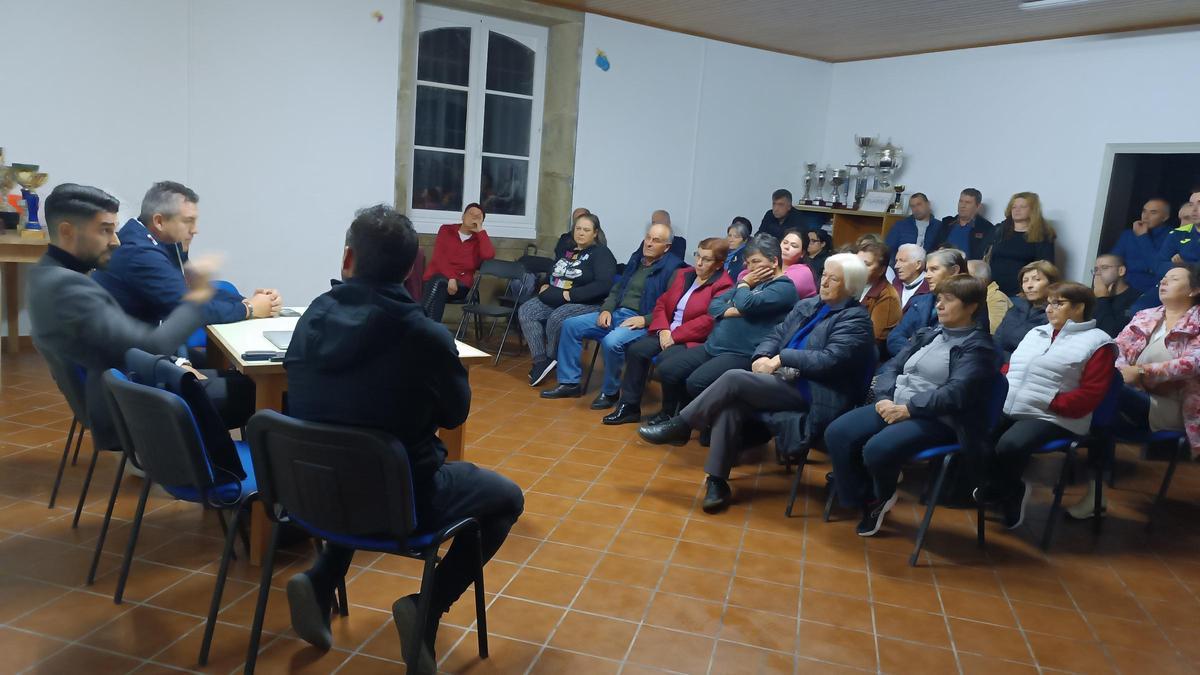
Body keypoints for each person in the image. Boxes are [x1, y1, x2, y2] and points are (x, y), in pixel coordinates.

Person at [282, 204, 523, 668]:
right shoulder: (426, 336)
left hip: (309, 493)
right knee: (506, 498)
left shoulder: (312, 315)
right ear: (413, 270)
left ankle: (319, 577)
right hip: (403, 504)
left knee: (355, 453)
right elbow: (455, 414)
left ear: (347, 259)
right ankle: (426, 608)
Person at [637, 253, 875, 512]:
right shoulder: (810, 305)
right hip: (783, 381)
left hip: (816, 393)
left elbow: (829, 360)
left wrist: (780, 358)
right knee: (732, 403)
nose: (825, 282)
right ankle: (717, 481)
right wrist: (762, 356)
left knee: (733, 379)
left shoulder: (856, 319)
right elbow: (776, 333)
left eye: (834, 279)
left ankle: (682, 425)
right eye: (825, 275)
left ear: (851, 287)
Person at [27, 184, 235, 454]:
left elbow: (123, 343)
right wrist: (197, 297)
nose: (115, 241)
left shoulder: (48, 274)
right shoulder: (66, 288)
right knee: (253, 391)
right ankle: (248, 480)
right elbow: (154, 344)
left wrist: (176, 363)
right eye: (105, 230)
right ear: (67, 231)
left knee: (235, 381)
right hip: (129, 403)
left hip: (124, 385)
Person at [825, 275, 996, 536]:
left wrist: (908, 409)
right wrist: (883, 396)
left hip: (940, 418)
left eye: (948, 300)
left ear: (972, 306)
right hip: (895, 404)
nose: (939, 305)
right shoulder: (929, 334)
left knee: (877, 448)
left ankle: (879, 497)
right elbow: (892, 366)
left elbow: (956, 393)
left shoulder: (979, 348)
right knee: (838, 433)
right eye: (938, 299)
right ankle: (866, 496)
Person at [980, 282, 1115, 528]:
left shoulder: (1099, 343)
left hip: (1055, 415)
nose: (1050, 309)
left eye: (1058, 303)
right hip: (1015, 403)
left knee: (1010, 444)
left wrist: (1052, 402)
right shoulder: (1037, 333)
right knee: (978, 432)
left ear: (1079, 307)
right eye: (1049, 303)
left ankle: (1008, 491)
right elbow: (1013, 367)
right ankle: (1006, 487)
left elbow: (1092, 393)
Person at [94, 181, 282, 328]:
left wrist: (248, 301)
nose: (195, 230)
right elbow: (190, 309)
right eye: (188, 221)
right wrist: (248, 309)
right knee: (238, 376)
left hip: (145, 352)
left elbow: (192, 290)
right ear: (159, 221)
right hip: (132, 362)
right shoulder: (139, 252)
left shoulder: (157, 242)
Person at [650, 234, 799, 417]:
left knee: (696, 382)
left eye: (755, 262)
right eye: (748, 263)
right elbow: (714, 305)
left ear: (774, 261)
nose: (750, 268)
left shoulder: (783, 287)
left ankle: (693, 421)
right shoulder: (753, 282)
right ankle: (669, 415)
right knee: (668, 370)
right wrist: (736, 308)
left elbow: (745, 304)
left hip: (740, 352)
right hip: (714, 345)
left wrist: (744, 286)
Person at [541, 223, 682, 408]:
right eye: (648, 237)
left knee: (611, 342)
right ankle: (569, 383)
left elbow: (671, 307)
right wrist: (606, 309)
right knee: (570, 325)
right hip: (616, 313)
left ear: (667, 247)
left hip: (642, 322)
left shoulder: (674, 269)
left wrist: (645, 320)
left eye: (656, 240)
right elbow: (617, 289)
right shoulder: (637, 259)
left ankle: (610, 392)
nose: (648, 243)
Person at [602, 238, 732, 425]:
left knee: (667, 362)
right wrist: (663, 329)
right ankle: (629, 406)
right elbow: (662, 303)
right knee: (637, 350)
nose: (699, 263)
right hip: (666, 330)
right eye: (698, 256)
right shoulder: (684, 274)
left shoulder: (723, 285)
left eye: (707, 259)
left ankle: (669, 413)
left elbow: (709, 320)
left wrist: (675, 335)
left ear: (719, 264)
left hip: (691, 338)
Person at [1111, 263, 1200, 477]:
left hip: (1177, 406)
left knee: (1107, 388)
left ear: (1194, 290)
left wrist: (1141, 372)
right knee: (1101, 397)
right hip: (1134, 394)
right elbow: (1117, 348)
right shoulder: (1145, 315)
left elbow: (1195, 362)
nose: (1164, 282)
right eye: (1164, 278)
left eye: (1175, 278)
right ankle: (1097, 486)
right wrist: (1123, 372)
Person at [520, 213, 617, 386]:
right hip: (556, 297)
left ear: (595, 233)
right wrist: (543, 284)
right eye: (578, 229)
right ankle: (541, 361)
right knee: (526, 311)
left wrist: (569, 295)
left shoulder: (602, 253)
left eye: (586, 230)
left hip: (586, 303)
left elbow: (604, 285)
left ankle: (552, 357)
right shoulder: (569, 250)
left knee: (557, 317)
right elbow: (555, 271)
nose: (580, 233)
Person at [885, 248, 967, 358]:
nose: (927, 276)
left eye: (934, 269)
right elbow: (895, 337)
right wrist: (915, 353)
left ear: (954, 271)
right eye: (927, 270)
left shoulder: (968, 305)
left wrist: (914, 346)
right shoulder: (920, 301)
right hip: (902, 363)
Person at [422, 203, 495, 322]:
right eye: (471, 214)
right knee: (440, 285)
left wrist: (481, 231)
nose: (474, 217)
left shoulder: (479, 240)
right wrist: (451, 277)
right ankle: (430, 334)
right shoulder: (446, 230)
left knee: (439, 285)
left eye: (478, 216)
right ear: (463, 216)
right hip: (435, 281)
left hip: (460, 286)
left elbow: (489, 255)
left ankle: (417, 322)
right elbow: (439, 257)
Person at [988, 192, 1056, 297]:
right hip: (993, 290)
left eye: (1023, 207)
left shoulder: (1042, 236)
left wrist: (1028, 291)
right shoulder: (999, 231)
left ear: (1033, 210)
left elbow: (1045, 268)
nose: (1017, 210)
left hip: (1021, 294)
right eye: (1014, 207)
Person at [994, 260, 1060, 361]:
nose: (1029, 285)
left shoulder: (1057, 313)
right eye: (1025, 281)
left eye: (1036, 279)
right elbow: (997, 340)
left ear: (1052, 283)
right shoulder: (1015, 308)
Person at [1110, 198, 1172, 295]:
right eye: (1144, 211)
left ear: (1165, 217)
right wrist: (1146, 268)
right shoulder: (1128, 234)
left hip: (1152, 290)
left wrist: (1143, 237)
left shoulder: (1171, 236)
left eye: (1153, 212)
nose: (1146, 217)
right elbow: (1113, 262)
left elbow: (1159, 267)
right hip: (1123, 288)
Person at [739, 228, 816, 298]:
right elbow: (743, 276)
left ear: (802, 253)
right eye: (785, 243)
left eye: (794, 246)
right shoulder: (770, 264)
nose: (786, 247)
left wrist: (746, 282)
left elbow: (776, 290)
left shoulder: (803, 272)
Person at [857, 241, 902, 352]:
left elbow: (873, 338)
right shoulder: (851, 283)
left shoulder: (888, 296)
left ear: (881, 270)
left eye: (866, 264)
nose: (858, 267)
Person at [934, 188, 994, 260]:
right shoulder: (946, 223)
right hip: (942, 265)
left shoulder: (986, 228)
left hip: (969, 268)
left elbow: (984, 256)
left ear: (977, 206)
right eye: (961, 201)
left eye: (967, 202)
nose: (962, 205)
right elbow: (933, 248)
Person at [1092, 253, 1142, 338]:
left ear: (1121, 271)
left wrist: (1102, 298)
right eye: (1096, 269)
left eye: (1104, 268)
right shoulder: (1090, 296)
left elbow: (1112, 333)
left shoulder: (1137, 299)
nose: (1098, 273)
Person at [884, 193, 942, 265]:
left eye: (919, 204)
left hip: (928, 266)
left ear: (928, 204)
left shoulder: (939, 226)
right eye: (912, 206)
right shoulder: (901, 225)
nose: (916, 209)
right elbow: (889, 248)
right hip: (902, 264)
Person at [1154, 191, 1200, 278]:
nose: (1194, 209)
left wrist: (1184, 265)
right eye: (1191, 204)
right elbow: (1158, 267)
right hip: (1172, 285)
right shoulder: (1177, 233)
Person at [968, 259, 1011, 334]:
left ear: (981, 281)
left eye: (966, 277)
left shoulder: (996, 298)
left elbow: (995, 332)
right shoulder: (974, 297)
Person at [892, 244, 929, 312]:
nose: (896, 266)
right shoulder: (895, 283)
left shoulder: (930, 288)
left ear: (918, 265)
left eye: (902, 261)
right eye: (896, 261)